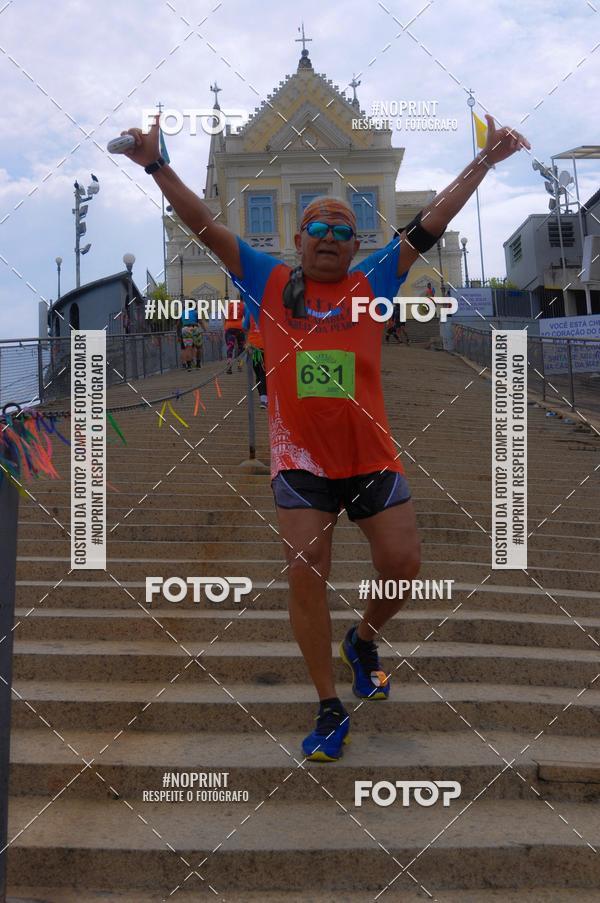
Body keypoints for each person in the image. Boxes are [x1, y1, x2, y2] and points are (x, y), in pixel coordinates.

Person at [123, 112, 529, 762]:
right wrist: (156, 165)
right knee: (306, 572)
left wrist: (484, 161)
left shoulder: (373, 282)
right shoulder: (270, 281)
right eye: (319, 227)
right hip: (301, 462)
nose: (331, 238)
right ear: (299, 238)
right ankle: (328, 704)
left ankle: (362, 639)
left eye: (343, 230)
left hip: (370, 455)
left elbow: (431, 224)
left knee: (403, 564)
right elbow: (206, 227)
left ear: (356, 241)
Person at [244, 309, 268, 409]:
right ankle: (264, 398)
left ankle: (263, 398)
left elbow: (245, 327)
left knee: (259, 374)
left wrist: (247, 342)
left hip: (253, 347)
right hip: (263, 347)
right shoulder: (267, 310)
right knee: (262, 374)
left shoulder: (250, 310)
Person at [223, 298, 245, 374]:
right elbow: (246, 318)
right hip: (240, 328)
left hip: (229, 328)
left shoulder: (230, 304)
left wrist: (225, 327)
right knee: (241, 347)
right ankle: (240, 365)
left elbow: (225, 317)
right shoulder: (243, 305)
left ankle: (229, 366)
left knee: (230, 347)